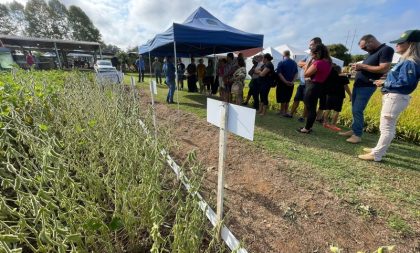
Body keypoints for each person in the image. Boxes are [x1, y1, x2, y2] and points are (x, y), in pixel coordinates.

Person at [359, 30, 420, 161]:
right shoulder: (406, 61)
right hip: (394, 96)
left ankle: (377, 155)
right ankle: (378, 150)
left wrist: (386, 83)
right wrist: (385, 82)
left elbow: (406, 83)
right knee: (386, 126)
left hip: (396, 97)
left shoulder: (410, 62)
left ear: (411, 44)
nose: (396, 45)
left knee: (387, 127)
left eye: (400, 42)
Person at [339, 34, 394, 143]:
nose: (364, 50)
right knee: (355, 109)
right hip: (359, 84)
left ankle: (357, 135)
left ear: (371, 41)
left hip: (367, 86)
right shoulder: (371, 53)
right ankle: (354, 129)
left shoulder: (386, 50)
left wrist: (362, 66)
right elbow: (370, 68)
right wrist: (357, 69)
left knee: (357, 110)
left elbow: (384, 68)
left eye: (365, 47)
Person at [297, 44, 332, 133]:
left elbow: (306, 74)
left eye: (312, 54)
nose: (311, 56)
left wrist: (309, 63)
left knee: (310, 108)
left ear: (316, 53)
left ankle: (307, 129)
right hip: (319, 86)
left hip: (312, 86)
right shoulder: (328, 62)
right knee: (312, 107)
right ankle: (308, 127)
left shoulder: (318, 63)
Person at [291, 37, 323, 122]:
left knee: (307, 101)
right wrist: (308, 65)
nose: (309, 47)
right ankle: (291, 114)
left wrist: (306, 66)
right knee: (297, 99)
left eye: (311, 45)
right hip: (302, 82)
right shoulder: (308, 55)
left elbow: (315, 67)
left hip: (310, 83)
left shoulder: (321, 57)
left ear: (317, 44)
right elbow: (299, 63)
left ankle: (303, 117)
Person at [322, 65, 352, 131]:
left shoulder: (329, 77)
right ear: (339, 70)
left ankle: (324, 123)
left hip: (329, 95)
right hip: (339, 95)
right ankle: (333, 125)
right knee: (336, 110)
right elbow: (346, 87)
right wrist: (350, 95)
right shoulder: (343, 77)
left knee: (327, 108)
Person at [276, 50, 298, 117]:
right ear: (289, 55)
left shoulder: (281, 62)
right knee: (288, 97)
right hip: (291, 83)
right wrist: (292, 81)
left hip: (282, 83)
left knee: (282, 97)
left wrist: (285, 81)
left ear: (283, 55)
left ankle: (282, 112)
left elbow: (279, 73)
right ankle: (285, 111)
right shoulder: (294, 63)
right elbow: (296, 73)